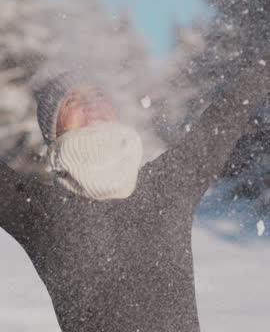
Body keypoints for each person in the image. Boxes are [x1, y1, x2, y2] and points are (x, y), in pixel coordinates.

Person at [0, 51, 269, 332]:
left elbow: (226, 115)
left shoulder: (167, 184)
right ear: (53, 130)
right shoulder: (40, 209)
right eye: (72, 100)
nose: (90, 103)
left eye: (98, 95)